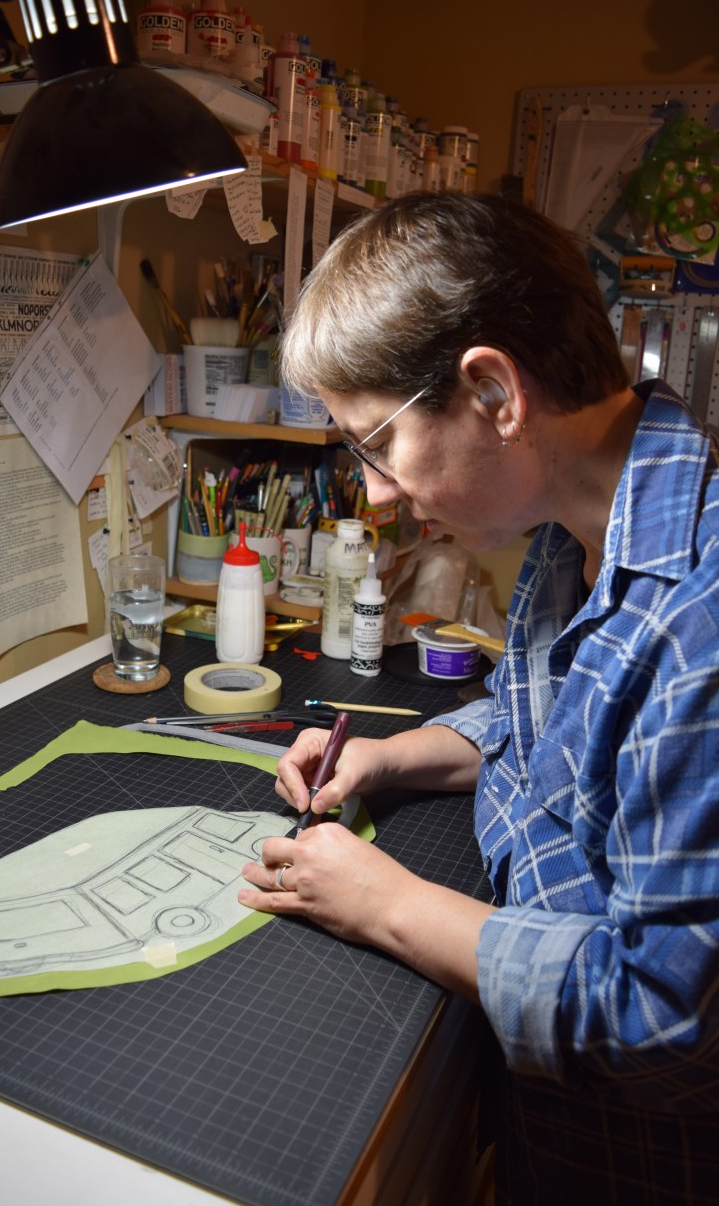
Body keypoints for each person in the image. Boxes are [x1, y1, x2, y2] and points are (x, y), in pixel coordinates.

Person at [237, 192, 719, 1203]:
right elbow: (546, 723)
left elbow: (663, 1019)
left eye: (376, 443)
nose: (370, 493)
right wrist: (393, 755)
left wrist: (387, 904)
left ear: (495, 393)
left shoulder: (703, 617)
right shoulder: (572, 528)